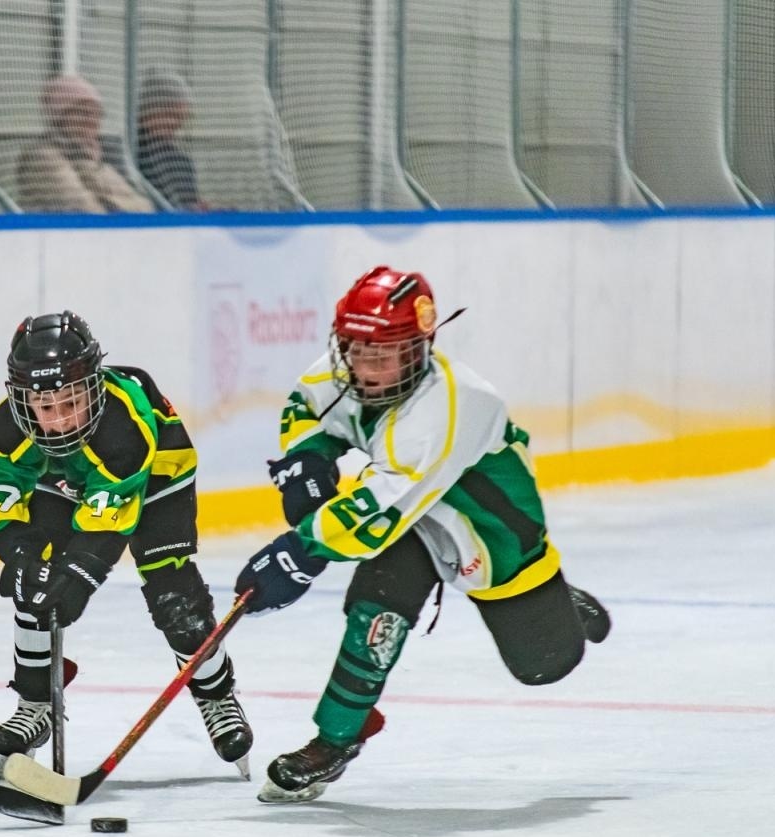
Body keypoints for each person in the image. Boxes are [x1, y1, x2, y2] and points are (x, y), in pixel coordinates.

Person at [233, 266, 611, 802]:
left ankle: (560, 604)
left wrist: (297, 554)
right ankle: (337, 737)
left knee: (545, 666)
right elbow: (306, 405)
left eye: (382, 355)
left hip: (491, 538)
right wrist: (307, 460)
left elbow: (372, 514)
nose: (365, 367)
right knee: (376, 608)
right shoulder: (347, 369)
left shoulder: (449, 408)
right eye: (355, 350)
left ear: (419, 348)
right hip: (411, 521)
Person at [0, 311, 250, 777]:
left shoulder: (124, 428)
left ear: (94, 388)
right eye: (46, 408)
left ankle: (217, 694)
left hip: (160, 474)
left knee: (175, 596)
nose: (61, 421)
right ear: (22, 402)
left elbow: (106, 526)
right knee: (33, 582)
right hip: (66, 481)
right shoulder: (2, 434)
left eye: (71, 402)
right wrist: (22, 556)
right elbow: (4, 511)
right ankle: (35, 702)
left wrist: (78, 580)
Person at [16, 75, 153, 214]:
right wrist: (114, 205)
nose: (92, 120)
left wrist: (107, 202)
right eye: (83, 112)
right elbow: (83, 210)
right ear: (60, 117)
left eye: (97, 113)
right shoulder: (42, 158)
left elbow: (146, 207)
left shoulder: (94, 158)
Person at [135, 68, 205, 211]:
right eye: (171, 115)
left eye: (181, 118)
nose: (177, 125)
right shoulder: (132, 155)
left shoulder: (182, 163)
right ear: (148, 109)